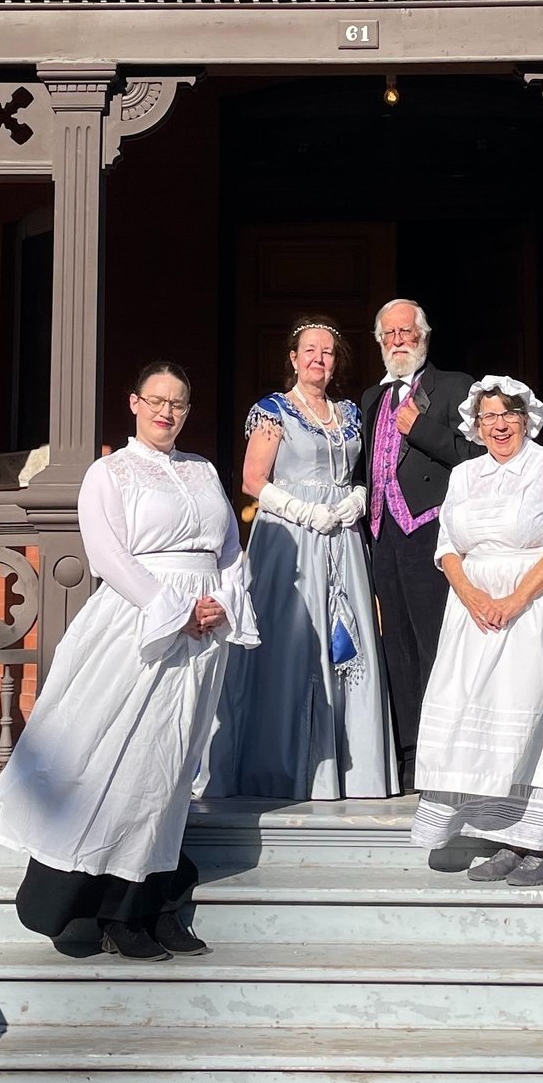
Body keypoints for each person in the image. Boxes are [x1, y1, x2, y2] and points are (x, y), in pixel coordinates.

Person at [0, 361, 256, 960]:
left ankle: (150, 903)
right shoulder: (109, 473)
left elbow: (230, 549)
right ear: (133, 403)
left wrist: (221, 601)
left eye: (178, 403)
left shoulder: (202, 471)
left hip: (202, 630)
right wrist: (173, 608)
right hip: (138, 626)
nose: (167, 412)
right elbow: (109, 557)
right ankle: (84, 906)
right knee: (116, 759)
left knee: (170, 768)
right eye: (157, 400)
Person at [410, 375, 543, 887]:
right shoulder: (465, 474)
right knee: (476, 718)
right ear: (477, 424)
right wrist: (474, 597)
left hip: (540, 605)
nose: (499, 424)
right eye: (489, 416)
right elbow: (446, 545)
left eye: (508, 414)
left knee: (533, 714)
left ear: (526, 418)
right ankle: (509, 836)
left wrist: (514, 600)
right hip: (474, 611)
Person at [207, 316, 396, 800]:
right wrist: (303, 510)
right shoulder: (273, 410)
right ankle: (283, 768)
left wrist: (355, 499)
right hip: (290, 539)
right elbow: (253, 480)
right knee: (291, 644)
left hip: (342, 538)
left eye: (328, 352)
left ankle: (357, 772)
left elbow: (360, 472)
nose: (318, 358)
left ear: (336, 363)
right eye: (309, 350)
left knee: (349, 644)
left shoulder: (350, 413)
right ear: (293, 359)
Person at [356, 299, 480, 791]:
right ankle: (410, 756)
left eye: (406, 332)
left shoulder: (455, 387)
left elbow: (475, 455)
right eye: (389, 334)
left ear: (424, 336)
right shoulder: (371, 398)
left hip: (431, 532)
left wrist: (421, 428)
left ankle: (446, 756)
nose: (398, 340)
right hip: (384, 535)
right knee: (397, 648)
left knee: (436, 645)